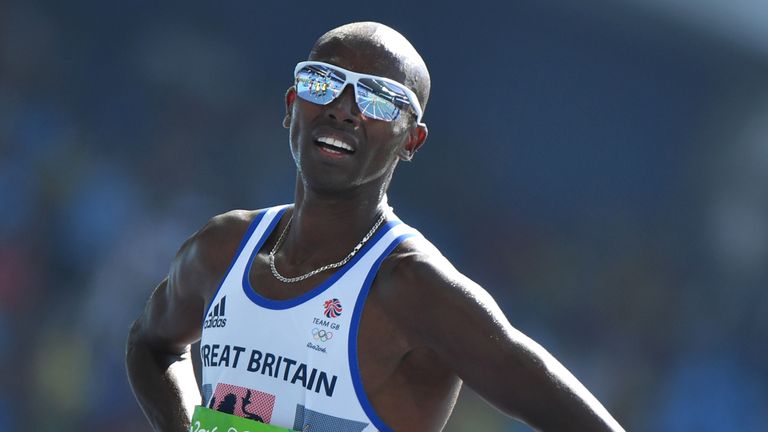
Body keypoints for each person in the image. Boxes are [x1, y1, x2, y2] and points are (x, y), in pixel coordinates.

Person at [126, 21, 625, 432]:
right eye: (323, 83)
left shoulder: (415, 290)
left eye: (378, 100)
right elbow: (149, 345)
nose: (344, 110)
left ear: (412, 141)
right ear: (290, 106)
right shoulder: (222, 250)